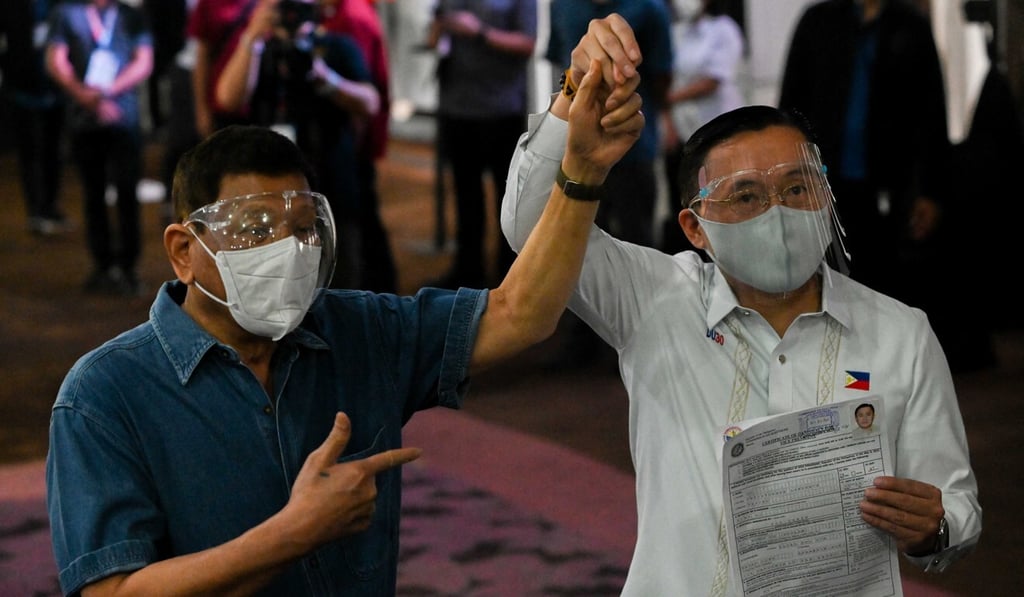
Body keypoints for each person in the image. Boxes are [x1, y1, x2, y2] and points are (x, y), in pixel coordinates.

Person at [46, 51, 645, 595]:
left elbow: (519, 313)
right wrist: (293, 532)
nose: (288, 248)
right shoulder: (105, 395)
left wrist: (581, 171)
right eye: (256, 229)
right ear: (183, 249)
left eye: (302, 227)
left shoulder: (359, 330)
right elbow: (110, 591)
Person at [501, 14, 981, 594]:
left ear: (826, 195)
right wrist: (573, 99)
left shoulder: (900, 333)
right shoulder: (654, 300)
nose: (776, 213)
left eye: (797, 188)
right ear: (695, 227)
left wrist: (933, 527)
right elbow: (531, 231)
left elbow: (955, 506)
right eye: (745, 196)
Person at [777, 0, 950, 303]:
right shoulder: (818, 21)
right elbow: (791, 105)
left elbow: (931, 115)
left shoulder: (911, 27)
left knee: (885, 286)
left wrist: (931, 191)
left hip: (889, 187)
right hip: (823, 183)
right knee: (823, 285)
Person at [214, 0, 384, 290]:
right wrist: (252, 37)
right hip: (265, 191)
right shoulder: (257, 50)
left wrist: (324, 77)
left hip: (331, 183)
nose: (292, 15)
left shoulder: (335, 47)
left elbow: (370, 102)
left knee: (338, 281)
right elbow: (229, 99)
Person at [425, 0, 537, 289]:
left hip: (501, 110)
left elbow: (528, 43)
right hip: (456, 107)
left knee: (509, 199)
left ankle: (509, 277)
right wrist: (437, 31)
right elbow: (435, 31)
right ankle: (468, 271)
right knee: (465, 196)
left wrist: (480, 32)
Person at [45, 0, 154, 295]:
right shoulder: (67, 13)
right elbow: (56, 60)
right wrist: (84, 96)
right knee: (93, 193)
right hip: (84, 121)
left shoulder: (130, 15)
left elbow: (144, 60)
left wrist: (106, 92)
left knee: (127, 192)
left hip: (123, 117)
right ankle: (102, 266)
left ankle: (128, 267)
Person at [545, 0, 672, 248]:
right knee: (578, 246)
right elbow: (561, 65)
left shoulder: (649, 8)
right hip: (575, 148)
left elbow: (662, 76)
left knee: (637, 243)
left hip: (634, 147)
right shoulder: (561, 6)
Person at [659, 0, 745, 254]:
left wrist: (670, 99)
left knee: (720, 199)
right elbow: (666, 78)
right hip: (683, 134)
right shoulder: (677, 32)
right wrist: (668, 120)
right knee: (686, 202)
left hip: (718, 134)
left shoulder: (723, 30)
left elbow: (713, 80)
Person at [1, 0, 69, 237]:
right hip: (22, 89)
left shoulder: (58, 6)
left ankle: (50, 206)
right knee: (29, 153)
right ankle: (36, 211)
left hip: (56, 88)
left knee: (53, 149)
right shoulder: (11, 6)